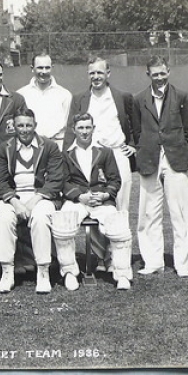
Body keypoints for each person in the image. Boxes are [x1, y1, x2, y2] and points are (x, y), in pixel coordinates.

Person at [65, 55, 135, 272]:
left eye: (100, 72)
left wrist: (133, 145)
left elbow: (132, 125)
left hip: (117, 154)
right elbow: (72, 127)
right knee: (92, 204)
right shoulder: (80, 98)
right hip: (90, 157)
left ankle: (118, 258)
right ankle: (99, 256)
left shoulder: (122, 97)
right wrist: (67, 156)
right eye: (92, 73)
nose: (96, 77)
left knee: (118, 207)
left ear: (108, 74)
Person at [131, 55, 188, 277]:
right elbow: (136, 132)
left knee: (180, 213)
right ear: (148, 74)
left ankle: (182, 264)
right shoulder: (139, 100)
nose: (159, 77)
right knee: (149, 214)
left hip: (174, 161)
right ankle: (153, 261)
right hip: (149, 161)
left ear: (169, 71)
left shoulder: (182, 97)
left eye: (162, 73)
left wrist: (178, 151)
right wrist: (144, 151)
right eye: (154, 74)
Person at [0, 108, 65, 294]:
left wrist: (35, 200)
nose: (24, 129)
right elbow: (0, 182)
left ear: (35, 125)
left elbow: (56, 180)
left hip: (40, 196)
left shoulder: (49, 146)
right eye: (20, 125)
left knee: (41, 218)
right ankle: (7, 272)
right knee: (4, 218)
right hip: (14, 198)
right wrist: (16, 203)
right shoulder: (3, 149)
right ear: (14, 126)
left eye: (28, 125)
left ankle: (43, 271)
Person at [60, 113, 133, 290]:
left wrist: (105, 195)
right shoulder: (66, 153)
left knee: (118, 223)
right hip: (78, 200)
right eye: (80, 128)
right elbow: (63, 181)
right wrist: (79, 196)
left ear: (93, 128)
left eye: (88, 127)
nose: (84, 132)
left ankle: (122, 273)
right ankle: (69, 272)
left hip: (101, 201)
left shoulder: (105, 151)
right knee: (63, 222)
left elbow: (115, 179)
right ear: (74, 130)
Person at [17, 54, 72, 150]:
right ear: (32, 68)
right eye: (40, 68)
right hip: (30, 147)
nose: (44, 72)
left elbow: (68, 124)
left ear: (52, 68)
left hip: (57, 146)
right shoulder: (21, 94)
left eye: (47, 68)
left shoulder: (65, 94)